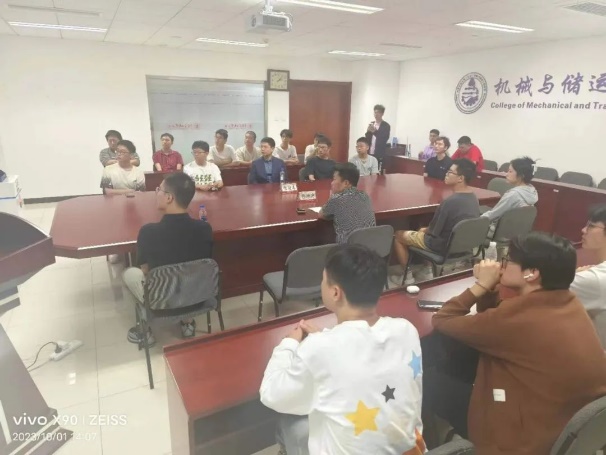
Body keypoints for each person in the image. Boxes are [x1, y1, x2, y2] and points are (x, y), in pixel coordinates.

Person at [431, 233, 606, 455]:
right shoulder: (569, 303)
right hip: (562, 427)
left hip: (522, 442)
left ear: (532, 273)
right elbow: (496, 327)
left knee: (433, 380)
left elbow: (442, 319)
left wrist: (481, 285)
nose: (502, 265)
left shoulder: (519, 318)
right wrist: (491, 291)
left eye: (508, 260)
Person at [260, 244, 425, 455]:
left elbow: (272, 394)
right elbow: (362, 352)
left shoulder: (319, 349)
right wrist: (323, 338)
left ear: (335, 292)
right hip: (411, 450)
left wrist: (288, 345)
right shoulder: (406, 329)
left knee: (291, 418)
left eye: (323, 280)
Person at [123, 173, 213, 344]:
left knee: (130, 274)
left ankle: (145, 331)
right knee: (188, 271)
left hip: (162, 302)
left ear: (169, 198)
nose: (156, 192)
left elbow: (145, 271)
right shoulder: (205, 228)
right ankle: (187, 323)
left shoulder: (148, 232)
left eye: (159, 189)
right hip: (197, 298)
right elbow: (203, 265)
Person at [392, 159, 480, 284]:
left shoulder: (449, 202)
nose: (446, 174)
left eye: (450, 172)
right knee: (424, 231)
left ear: (460, 178)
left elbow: (433, 232)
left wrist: (424, 229)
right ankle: (427, 270)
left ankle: (408, 277)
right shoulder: (473, 198)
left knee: (399, 235)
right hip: (462, 246)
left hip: (442, 246)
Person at [570, 205, 606, 347]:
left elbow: (539, 292)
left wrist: (575, 274)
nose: (584, 230)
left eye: (591, 226)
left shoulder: (596, 278)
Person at [319, 163, 376, 243]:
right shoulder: (365, 195)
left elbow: (322, 215)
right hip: (371, 247)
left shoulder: (336, 199)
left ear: (346, 183)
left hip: (348, 249)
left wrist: (333, 196)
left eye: (334, 179)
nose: (332, 183)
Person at [481, 157, 538, 225]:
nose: (506, 174)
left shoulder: (513, 195)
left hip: (497, 229)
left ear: (521, 175)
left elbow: (493, 215)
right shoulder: (532, 191)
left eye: (510, 171)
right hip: (515, 228)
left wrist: (476, 220)